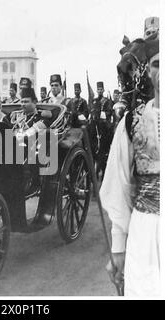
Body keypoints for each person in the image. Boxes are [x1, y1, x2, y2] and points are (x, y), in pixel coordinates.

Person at [101, 38, 159, 296]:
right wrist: (118, 249)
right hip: (146, 239)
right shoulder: (132, 124)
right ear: (148, 70)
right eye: (158, 64)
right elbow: (119, 189)